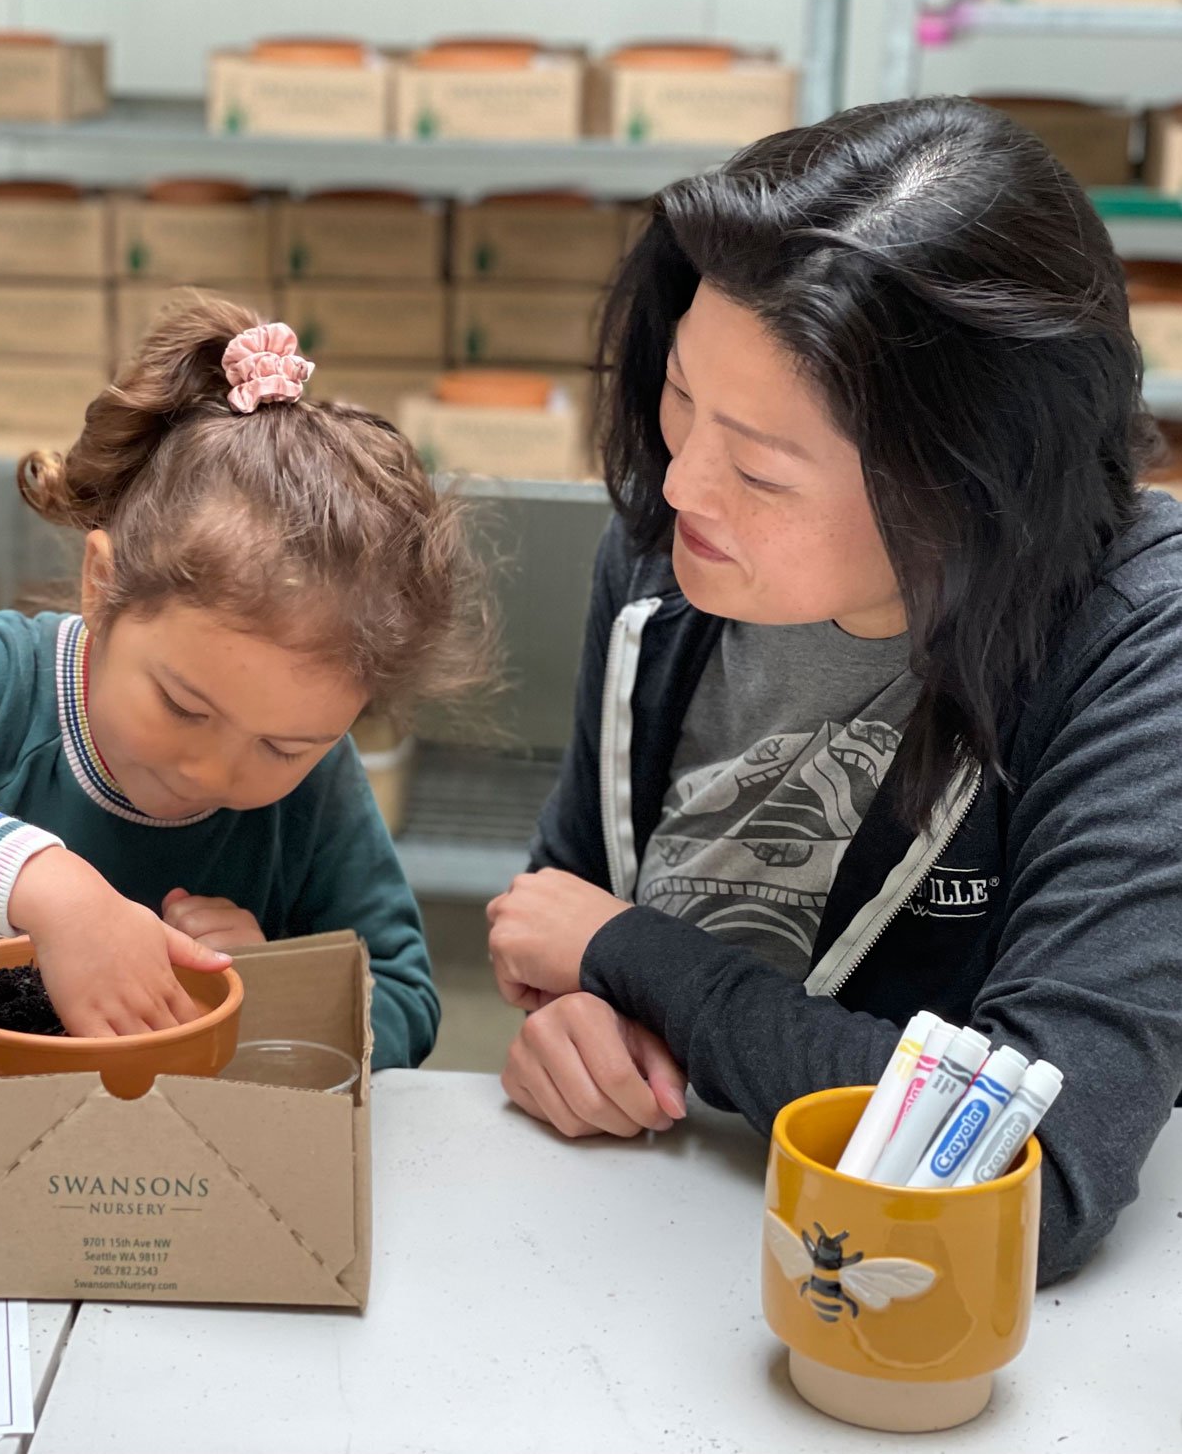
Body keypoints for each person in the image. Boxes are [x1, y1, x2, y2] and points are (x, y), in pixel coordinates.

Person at [486, 95, 1182, 1283]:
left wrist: (639, 961)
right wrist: (579, 1022)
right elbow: (573, 914)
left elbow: (1033, 1173)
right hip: (643, 1248)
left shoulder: (1134, 643)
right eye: (682, 395)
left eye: (760, 466)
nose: (683, 481)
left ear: (968, 487)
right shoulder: (665, 557)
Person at [0, 302, 491, 1064]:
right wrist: (43, 885)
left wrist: (267, 985)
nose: (214, 771)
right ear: (102, 586)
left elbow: (401, 998)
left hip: (149, 1146)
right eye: (184, 706)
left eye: (282, 747)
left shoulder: (319, 781)